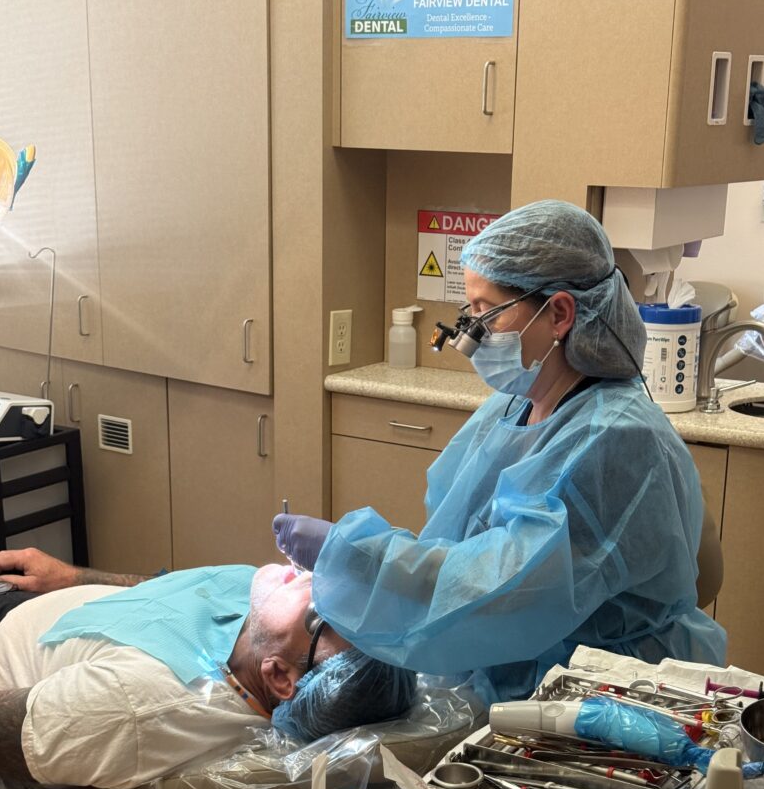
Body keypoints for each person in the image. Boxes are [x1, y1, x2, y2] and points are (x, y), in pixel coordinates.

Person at [273, 200, 727, 703]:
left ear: (558, 313)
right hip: (511, 670)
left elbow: (508, 590)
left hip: (605, 693)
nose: (470, 336)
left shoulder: (616, 440)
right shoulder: (512, 407)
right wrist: (376, 574)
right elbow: (460, 547)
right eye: (469, 312)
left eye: (486, 312)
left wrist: (357, 558)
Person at [0, 551, 416, 789]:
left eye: (323, 609)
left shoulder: (139, 705)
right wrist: (72, 577)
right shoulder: (265, 617)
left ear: (281, 678)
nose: (318, 576)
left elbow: (16, 735)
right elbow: (186, 592)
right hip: (45, 605)